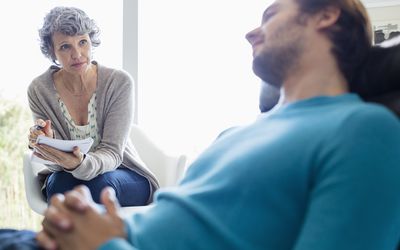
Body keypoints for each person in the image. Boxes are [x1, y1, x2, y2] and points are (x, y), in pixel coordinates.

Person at [2, 0, 400, 249]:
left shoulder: (364, 131)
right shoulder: (234, 136)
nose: (250, 32)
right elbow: (174, 218)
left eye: (271, 14)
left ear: (327, 14)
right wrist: (89, 223)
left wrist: (105, 244)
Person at [26, 6, 159, 206]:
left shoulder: (119, 82)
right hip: (70, 176)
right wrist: (46, 144)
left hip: (122, 173)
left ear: (91, 41)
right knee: (56, 185)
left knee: (97, 187)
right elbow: (55, 166)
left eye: (82, 42)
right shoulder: (39, 89)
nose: (77, 54)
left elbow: (113, 154)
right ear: (52, 51)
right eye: (65, 47)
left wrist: (79, 163)